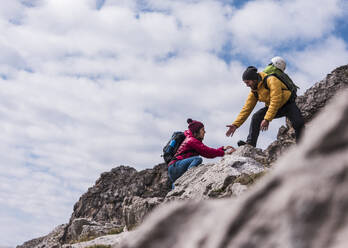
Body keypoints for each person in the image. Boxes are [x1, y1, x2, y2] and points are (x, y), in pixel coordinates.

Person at [226, 58, 304, 147]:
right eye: (245, 83)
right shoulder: (254, 91)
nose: (247, 85)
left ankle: (301, 147)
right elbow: (246, 109)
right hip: (274, 107)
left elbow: (276, 99)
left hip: (288, 104)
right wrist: (235, 125)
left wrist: (267, 119)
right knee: (256, 117)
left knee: (299, 123)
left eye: (248, 82)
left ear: (254, 79)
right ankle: (250, 144)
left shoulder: (271, 80)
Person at [168, 118, 235, 187]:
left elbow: (207, 152)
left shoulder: (191, 140)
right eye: (202, 130)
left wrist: (222, 149)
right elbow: (207, 151)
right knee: (197, 159)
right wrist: (224, 153)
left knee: (176, 184)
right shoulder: (191, 140)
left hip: (172, 168)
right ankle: (189, 176)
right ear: (196, 131)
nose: (204, 132)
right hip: (176, 166)